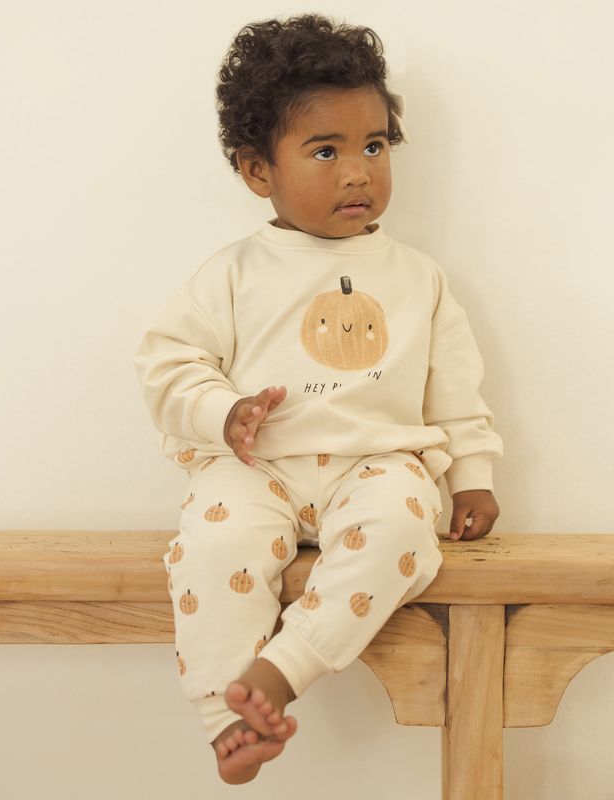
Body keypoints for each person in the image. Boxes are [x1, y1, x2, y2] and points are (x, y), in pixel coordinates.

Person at [134, 13, 503, 784]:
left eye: (374, 146)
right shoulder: (232, 273)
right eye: (325, 151)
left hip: (374, 467)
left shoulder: (418, 278)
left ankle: (282, 671)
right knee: (208, 543)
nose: (357, 172)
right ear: (256, 170)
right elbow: (170, 364)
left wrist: (473, 472)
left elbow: (455, 389)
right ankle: (226, 720)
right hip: (256, 466)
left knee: (407, 536)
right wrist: (219, 412)